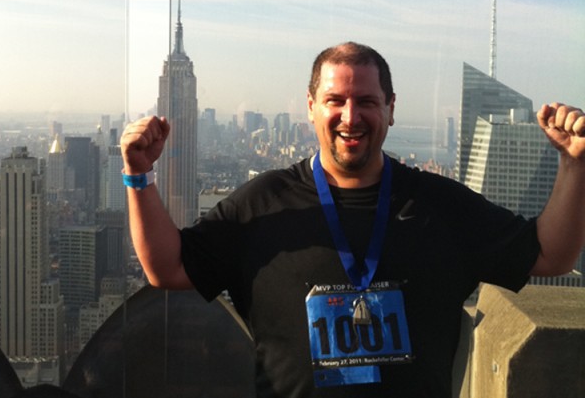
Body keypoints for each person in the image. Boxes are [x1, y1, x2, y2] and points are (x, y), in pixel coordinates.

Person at [120, 41, 585, 398]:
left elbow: (550, 254)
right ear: (311, 107)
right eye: (335, 100)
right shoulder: (262, 202)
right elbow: (169, 268)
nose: (350, 115)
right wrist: (139, 176)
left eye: (365, 101)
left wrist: (574, 165)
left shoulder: (439, 204)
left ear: (390, 108)